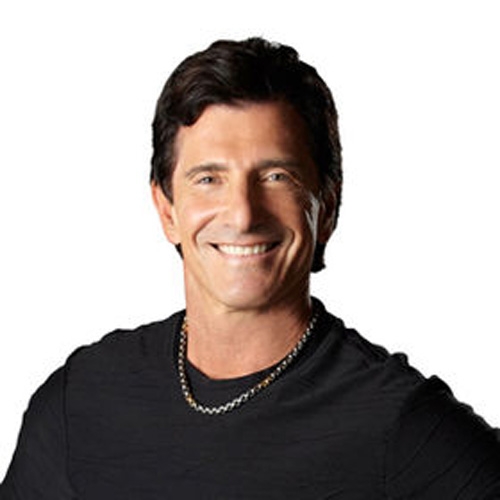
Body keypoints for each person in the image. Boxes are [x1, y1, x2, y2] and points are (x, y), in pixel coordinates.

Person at [1, 37, 499, 499]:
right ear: (167, 210)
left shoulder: (400, 424)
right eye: (208, 179)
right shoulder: (82, 400)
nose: (242, 214)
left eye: (276, 176)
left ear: (326, 206)